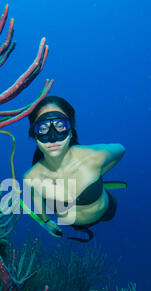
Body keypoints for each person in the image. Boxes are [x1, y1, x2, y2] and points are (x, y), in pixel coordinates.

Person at [23, 96, 126, 242]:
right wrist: (45, 222)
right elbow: (36, 197)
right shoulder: (31, 178)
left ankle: (101, 186)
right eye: (43, 128)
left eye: (60, 125)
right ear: (34, 133)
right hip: (70, 223)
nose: (53, 137)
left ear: (71, 129)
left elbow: (120, 150)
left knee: (112, 217)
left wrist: (98, 173)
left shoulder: (94, 158)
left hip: (106, 210)